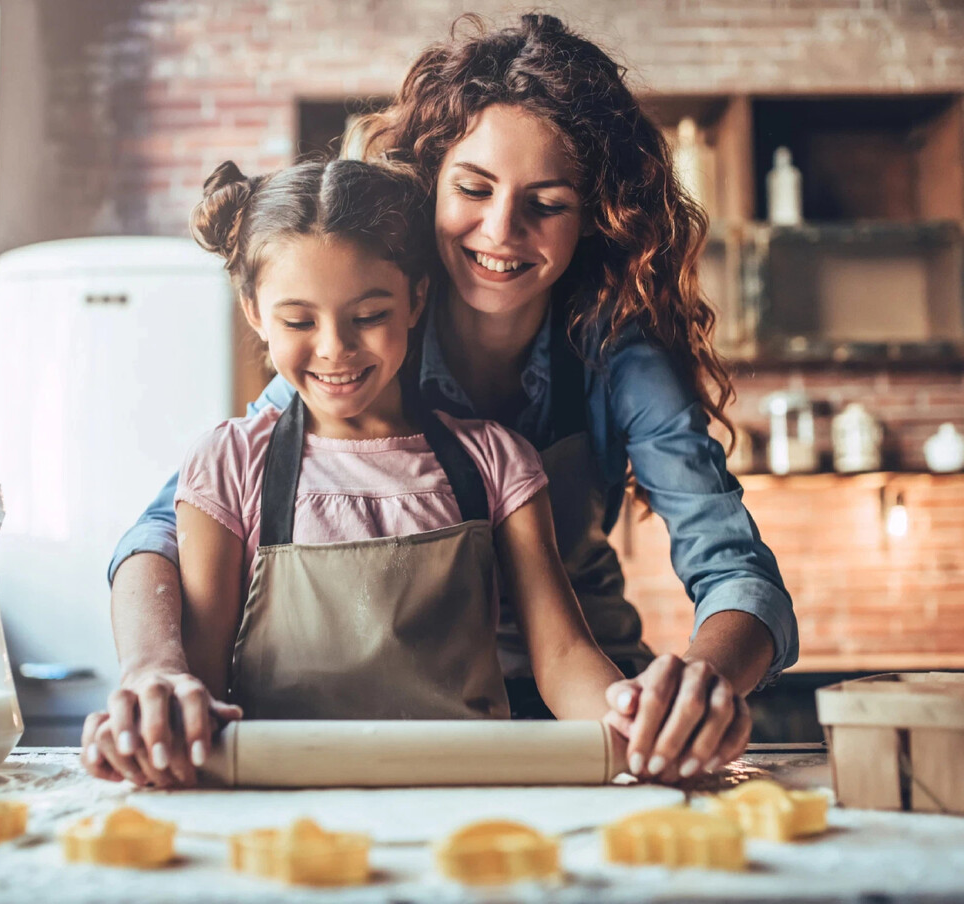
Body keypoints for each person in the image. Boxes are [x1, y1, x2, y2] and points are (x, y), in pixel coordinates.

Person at [89, 13, 798, 788]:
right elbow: (165, 530)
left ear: (596, 215)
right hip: (378, 731)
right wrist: (154, 671)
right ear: (430, 185)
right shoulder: (364, 341)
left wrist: (698, 684)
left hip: (581, 720)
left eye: (548, 203)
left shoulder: (613, 356)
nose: (502, 229)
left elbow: (732, 565)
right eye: (473, 188)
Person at [82, 156, 625, 786]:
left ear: (416, 298)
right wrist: (160, 722)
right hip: (276, 804)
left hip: (463, 796)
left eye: (368, 316)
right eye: (298, 321)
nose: (334, 347)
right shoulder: (229, 463)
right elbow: (197, 674)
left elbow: (563, 657)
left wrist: (630, 721)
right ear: (254, 309)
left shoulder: (496, 461)